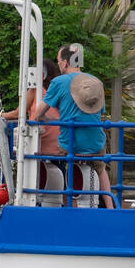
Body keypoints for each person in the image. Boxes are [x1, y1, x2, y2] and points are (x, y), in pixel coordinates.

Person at [33, 43, 113, 205]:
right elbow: (99, 112)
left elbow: (37, 114)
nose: (58, 64)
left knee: (58, 159)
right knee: (100, 167)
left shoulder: (58, 82)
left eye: (58, 61)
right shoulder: (96, 82)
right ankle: (111, 205)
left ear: (65, 62)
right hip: (96, 142)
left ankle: (64, 203)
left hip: (70, 144)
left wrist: (45, 119)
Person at [0, 58, 62, 156]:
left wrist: (2, 115)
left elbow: (18, 113)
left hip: (40, 141)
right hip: (58, 143)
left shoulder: (35, 90)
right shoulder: (57, 90)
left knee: (4, 148)